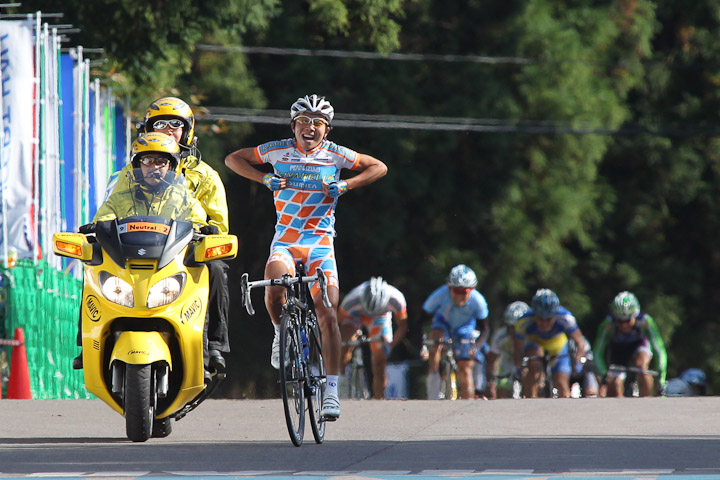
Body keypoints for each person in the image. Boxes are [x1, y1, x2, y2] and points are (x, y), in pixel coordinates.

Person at [224, 94, 387, 419]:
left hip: (320, 243)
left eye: (317, 123)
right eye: (303, 122)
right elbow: (233, 159)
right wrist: (264, 178)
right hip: (286, 238)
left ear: (326, 130)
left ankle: (330, 392)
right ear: (293, 126)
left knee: (327, 313)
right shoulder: (277, 150)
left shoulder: (336, 154)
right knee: (272, 289)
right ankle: (278, 332)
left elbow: (379, 167)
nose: (309, 128)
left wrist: (346, 185)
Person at [74, 97, 231, 374]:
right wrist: (98, 226)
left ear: (188, 130)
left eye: (175, 124)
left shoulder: (205, 176)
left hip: (182, 251)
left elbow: (217, 224)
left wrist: (206, 231)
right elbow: (111, 207)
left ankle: (214, 344)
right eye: (160, 123)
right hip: (135, 250)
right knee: (93, 262)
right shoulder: (129, 174)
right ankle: (87, 343)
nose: (167, 129)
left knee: (216, 268)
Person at [422, 264, 489, 400]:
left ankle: (468, 404)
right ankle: (433, 390)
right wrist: (423, 346)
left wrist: (475, 347)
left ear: (472, 290)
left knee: (465, 369)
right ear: (449, 287)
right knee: (436, 342)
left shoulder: (479, 301)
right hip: (443, 325)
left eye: (464, 292)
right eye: (456, 291)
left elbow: (485, 328)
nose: (459, 296)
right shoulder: (440, 295)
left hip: (465, 329)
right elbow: (421, 321)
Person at [338, 277, 408, 399]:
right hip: (356, 315)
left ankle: (378, 398)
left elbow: (402, 326)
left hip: (380, 317)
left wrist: (389, 346)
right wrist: (349, 339)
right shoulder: (351, 300)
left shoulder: (396, 299)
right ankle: (342, 376)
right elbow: (338, 322)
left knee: (380, 360)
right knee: (345, 342)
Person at [513, 288, 587, 398]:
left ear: (555, 315)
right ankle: (530, 401)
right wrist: (521, 366)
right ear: (534, 315)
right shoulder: (523, 322)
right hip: (535, 343)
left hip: (557, 344)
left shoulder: (566, 318)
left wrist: (577, 359)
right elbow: (518, 348)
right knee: (534, 367)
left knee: (561, 382)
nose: (544, 324)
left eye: (549, 319)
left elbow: (580, 343)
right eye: (540, 319)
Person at [593, 291, 667, 397]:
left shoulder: (646, 322)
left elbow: (659, 349)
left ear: (635, 316)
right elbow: (597, 352)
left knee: (642, 369)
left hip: (639, 346)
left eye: (627, 321)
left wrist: (661, 377)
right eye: (619, 321)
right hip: (618, 351)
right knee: (615, 384)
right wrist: (603, 373)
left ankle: (649, 403)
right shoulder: (607, 325)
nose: (624, 325)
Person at [484, 301, 528, 400]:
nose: (515, 331)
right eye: (512, 327)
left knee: (530, 387)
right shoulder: (501, 336)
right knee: (502, 394)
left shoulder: (532, 336)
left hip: (525, 365)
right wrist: (490, 382)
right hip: (507, 367)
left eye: (519, 328)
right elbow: (492, 360)